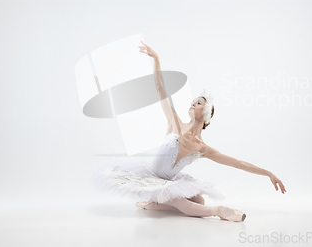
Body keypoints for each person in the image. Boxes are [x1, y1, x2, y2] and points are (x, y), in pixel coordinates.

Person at [92, 40, 287, 222]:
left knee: (199, 201)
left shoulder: (203, 149)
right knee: (186, 204)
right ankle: (218, 211)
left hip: (170, 182)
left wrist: (268, 173)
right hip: (151, 178)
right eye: (193, 102)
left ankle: (154, 206)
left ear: (206, 114)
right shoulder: (174, 122)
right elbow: (160, 89)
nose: (193, 104)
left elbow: (238, 163)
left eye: (198, 103)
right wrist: (156, 59)